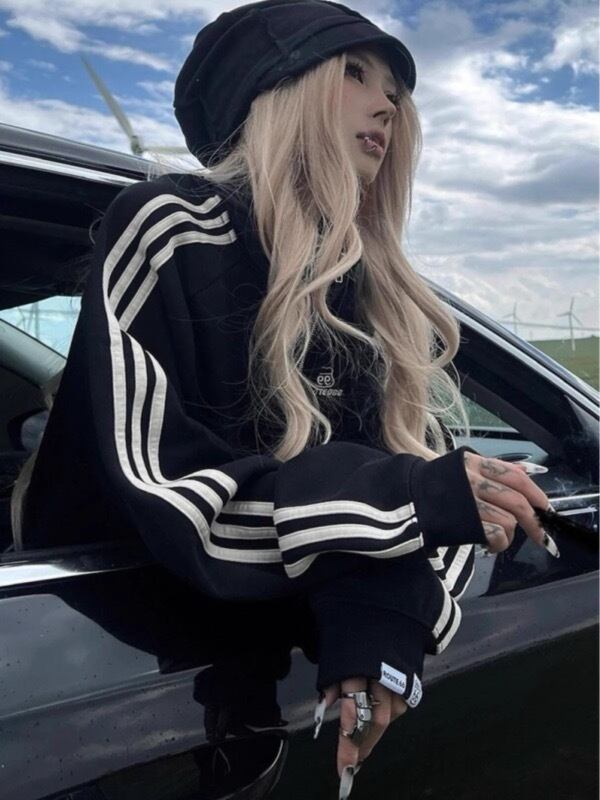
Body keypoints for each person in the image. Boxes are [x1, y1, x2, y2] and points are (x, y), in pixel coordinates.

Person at [16, 1, 558, 797]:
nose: (387, 107)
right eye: (354, 73)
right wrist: (410, 502)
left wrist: (383, 626)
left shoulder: (365, 291)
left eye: (395, 94)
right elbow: (172, 495)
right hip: (109, 676)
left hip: (240, 696)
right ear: (270, 89)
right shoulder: (170, 228)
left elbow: (418, 484)